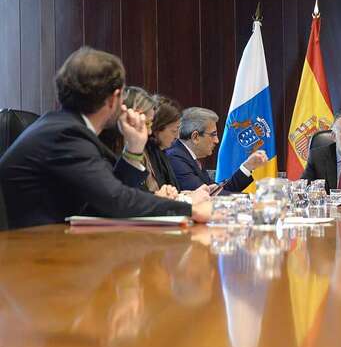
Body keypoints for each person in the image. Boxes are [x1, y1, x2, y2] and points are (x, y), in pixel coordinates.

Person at [0, 47, 211, 228]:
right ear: (114, 98)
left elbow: (105, 198)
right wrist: (189, 209)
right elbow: (115, 201)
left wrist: (134, 149)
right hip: (32, 254)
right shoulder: (66, 135)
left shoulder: (62, 126)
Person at [166, 107, 268, 193]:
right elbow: (209, 198)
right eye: (213, 134)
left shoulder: (188, 156)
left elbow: (217, 191)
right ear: (195, 137)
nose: (217, 140)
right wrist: (255, 199)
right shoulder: (176, 158)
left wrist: (247, 167)